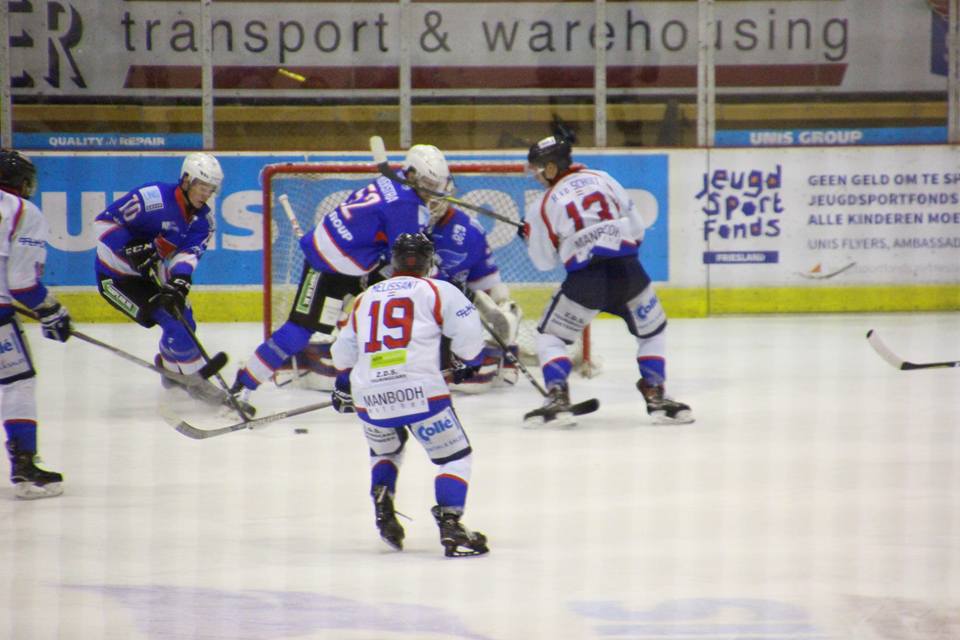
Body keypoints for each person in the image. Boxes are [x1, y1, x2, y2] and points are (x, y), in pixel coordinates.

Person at [232, 144, 452, 396]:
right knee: (299, 331)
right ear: (411, 174)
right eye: (428, 182)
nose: (433, 190)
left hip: (354, 257)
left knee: (392, 307)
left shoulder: (392, 178)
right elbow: (409, 260)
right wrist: (440, 280)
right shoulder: (406, 206)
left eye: (436, 184)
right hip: (328, 265)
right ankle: (243, 386)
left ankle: (374, 366)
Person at [330, 233, 489, 557]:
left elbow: (343, 355)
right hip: (421, 394)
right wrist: (467, 364)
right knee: (454, 458)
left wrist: (344, 385)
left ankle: (382, 497)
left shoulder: (366, 296)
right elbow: (471, 340)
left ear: (394, 262)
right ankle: (450, 523)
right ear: (429, 261)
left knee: (386, 451)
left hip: (370, 397)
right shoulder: (438, 289)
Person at [521, 134, 694, 427]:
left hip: (586, 282)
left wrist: (530, 237)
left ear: (552, 167)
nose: (536, 174)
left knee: (550, 337)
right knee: (652, 331)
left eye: (539, 167)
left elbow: (543, 262)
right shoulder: (602, 177)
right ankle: (656, 396)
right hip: (629, 272)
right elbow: (637, 229)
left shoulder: (542, 204)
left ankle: (557, 395)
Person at [94, 152, 223, 399]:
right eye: (202, 186)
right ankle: (197, 385)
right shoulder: (151, 198)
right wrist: (128, 247)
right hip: (116, 278)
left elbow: (186, 255)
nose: (206, 194)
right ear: (186, 180)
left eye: (211, 189)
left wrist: (180, 279)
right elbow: (102, 224)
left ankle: (169, 370)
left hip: (152, 275)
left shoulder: (203, 221)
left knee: (185, 322)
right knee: (175, 324)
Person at [0, 149, 72, 499]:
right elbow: (22, 283)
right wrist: (51, 311)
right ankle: (25, 469)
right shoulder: (23, 212)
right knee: (18, 382)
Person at [427, 202, 522, 392]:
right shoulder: (402, 219)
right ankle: (460, 363)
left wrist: (477, 302)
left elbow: (486, 283)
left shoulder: (468, 230)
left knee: (503, 301)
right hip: (423, 303)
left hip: (447, 303)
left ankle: (505, 355)